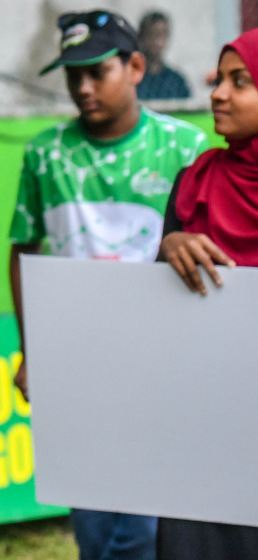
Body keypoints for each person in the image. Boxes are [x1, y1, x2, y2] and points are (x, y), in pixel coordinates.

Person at [8, 10, 207, 560]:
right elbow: (23, 249)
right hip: (75, 359)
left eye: (98, 72)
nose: (84, 87)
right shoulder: (44, 154)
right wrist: (31, 351)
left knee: (146, 524)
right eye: (73, 75)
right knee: (93, 528)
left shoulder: (185, 149)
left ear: (137, 66)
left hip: (160, 360)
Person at [154, 29, 258, 560]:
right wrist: (169, 242)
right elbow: (155, 308)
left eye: (241, 82)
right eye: (219, 80)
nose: (218, 94)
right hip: (198, 427)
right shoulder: (193, 182)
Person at [137, 12, 192, 102]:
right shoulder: (132, 80)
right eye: (153, 34)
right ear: (141, 37)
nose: (158, 42)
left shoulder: (176, 82)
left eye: (163, 34)